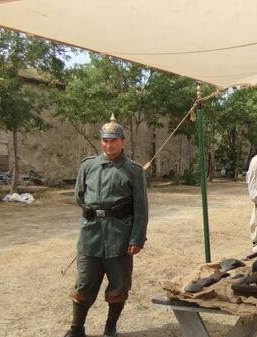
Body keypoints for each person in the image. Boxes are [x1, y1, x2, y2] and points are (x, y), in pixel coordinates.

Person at [64, 114, 148, 337]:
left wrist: (136, 238)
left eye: (113, 140)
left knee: (119, 286)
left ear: (122, 142)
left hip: (119, 236)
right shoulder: (88, 166)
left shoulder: (133, 171)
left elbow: (141, 209)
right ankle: (76, 328)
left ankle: (110, 327)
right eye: (104, 140)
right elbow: (79, 195)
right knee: (84, 284)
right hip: (90, 234)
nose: (108, 145)